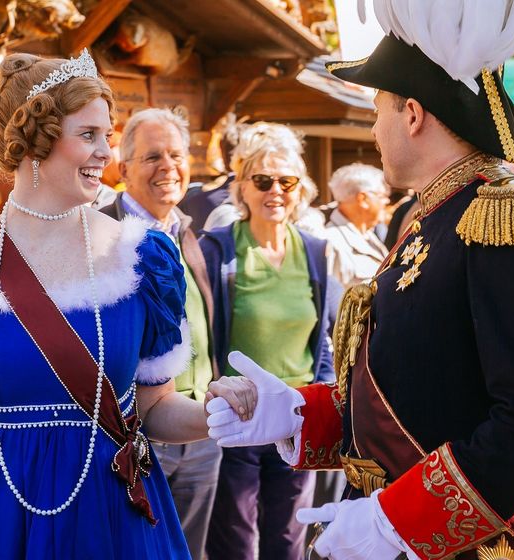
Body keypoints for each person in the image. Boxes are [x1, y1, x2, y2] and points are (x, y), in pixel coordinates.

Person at [204, 2, 514, 559]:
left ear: (412, 113)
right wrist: (296, 412)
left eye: (377, 109)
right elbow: (419, 390)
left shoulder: (504, 217)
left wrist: (398, 522)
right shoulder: (430, 216)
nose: (373, 128)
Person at [0, 51, 255, 560]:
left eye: (107, 136)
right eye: (89, 135)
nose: (106, 153)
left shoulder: (142, 259)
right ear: (34, 141)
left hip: (110, 519)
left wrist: (218, 412)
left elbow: (156, 410)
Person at [199, 121, 336, 560]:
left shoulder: (315, 250)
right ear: (242, 187)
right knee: (235, 541)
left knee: (289, 538)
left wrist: (326, 398)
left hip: (297, 415)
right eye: (262, 180)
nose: (275, 190)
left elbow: (325, 337)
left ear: (301, 189)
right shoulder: (217, 249)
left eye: (287, 181)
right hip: (240, 414)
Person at [101, 107, 221, 560]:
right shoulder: (105, 237)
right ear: (124, 168)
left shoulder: (188, 231)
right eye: (153, 157)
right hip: (137, 433)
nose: (168, 166)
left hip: (199, 431)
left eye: (176, 154)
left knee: (189, 551)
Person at [325, 163, 389, 287]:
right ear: (362, 199)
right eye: (382, 196)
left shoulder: (368, 236)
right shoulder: (332, 243)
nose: (386, 201)